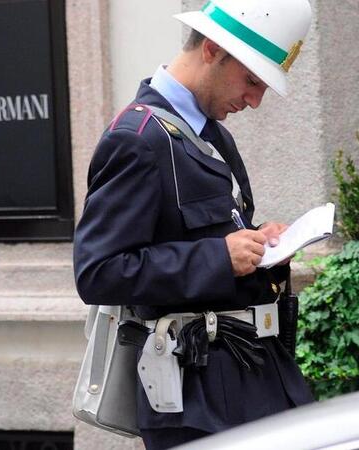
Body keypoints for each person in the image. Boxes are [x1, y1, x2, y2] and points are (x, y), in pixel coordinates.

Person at [73, 0, 314, 448]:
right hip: (199, 394)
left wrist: (260, 245)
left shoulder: (208, 132)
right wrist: (219, 257)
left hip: (250, 378)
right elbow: (98, 271)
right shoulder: (138, 138)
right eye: (251, 80)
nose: (255, 100)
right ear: (210, 49)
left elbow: (205, 236)